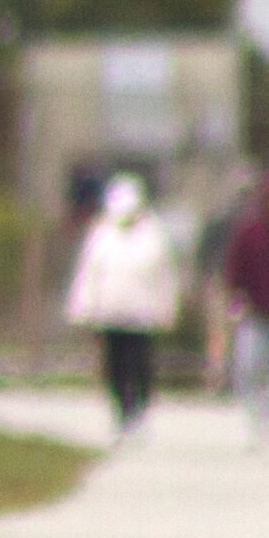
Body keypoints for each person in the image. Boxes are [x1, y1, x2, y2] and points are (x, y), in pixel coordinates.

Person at [64, 173, 179, 434]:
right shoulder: (101, 234)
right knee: (114, 366)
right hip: (110, 314)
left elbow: (164, 278)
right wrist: (82, 308)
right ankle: (121, 412)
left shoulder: (154, 235)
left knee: (140, 365)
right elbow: (89, 274)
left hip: (143, 317)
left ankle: (139, 409)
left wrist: (167, 310)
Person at [221, 172, 269, 446]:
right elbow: (236, 268)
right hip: (256, 312)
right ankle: (255, 418)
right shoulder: (250, 233)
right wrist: (236, 297)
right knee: (250, 367)